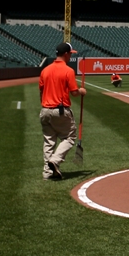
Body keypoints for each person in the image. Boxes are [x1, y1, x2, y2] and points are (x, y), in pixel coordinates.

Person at [39, 42, 86, 180]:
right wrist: (82, 91)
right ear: (66, 54)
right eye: (71, 54)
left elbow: (41, 91)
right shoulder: (68, 70)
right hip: (60, 110)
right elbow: (74, 93)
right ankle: (55, 160)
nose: (71, 56)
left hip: (45, 109)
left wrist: (44, 106)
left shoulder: (45, 70)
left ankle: (48, 173)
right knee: (69, 138)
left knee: (49, 141)